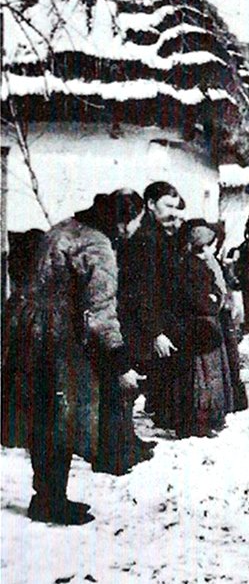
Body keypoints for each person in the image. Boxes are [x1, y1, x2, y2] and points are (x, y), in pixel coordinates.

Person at [11, 190, 145, 525]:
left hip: (27, 329)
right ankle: (51, 501)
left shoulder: (63, 227)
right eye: (133, 224)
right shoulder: (97, 246)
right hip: (60, 338)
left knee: (42, 413)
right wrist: (121, 363)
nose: (130, 233)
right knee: (62, 416)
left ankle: (45, 494)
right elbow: (100, 313)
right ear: (122, 220)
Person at [119, 181, 186, 429]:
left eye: (175, 207)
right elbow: (142, 291)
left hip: (150, 318)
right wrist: (155, 331)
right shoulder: (144, 239)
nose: (173, 212)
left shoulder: (158, 235)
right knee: (131, 381)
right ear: (150, 204)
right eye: (167, 205)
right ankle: (121, 442)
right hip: (139, 321)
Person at [175, 220, 235, 437]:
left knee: (211, 373)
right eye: (211, 244)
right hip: (200, 326)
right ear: (202, 245)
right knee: (203, 377)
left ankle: (211, 418)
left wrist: (215, 298)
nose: (214, 248)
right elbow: (198, 298)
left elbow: (214, 293)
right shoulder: (192, 266)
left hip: (208, 322)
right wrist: (212, 301)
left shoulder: (202, 264)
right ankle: (200, 423)